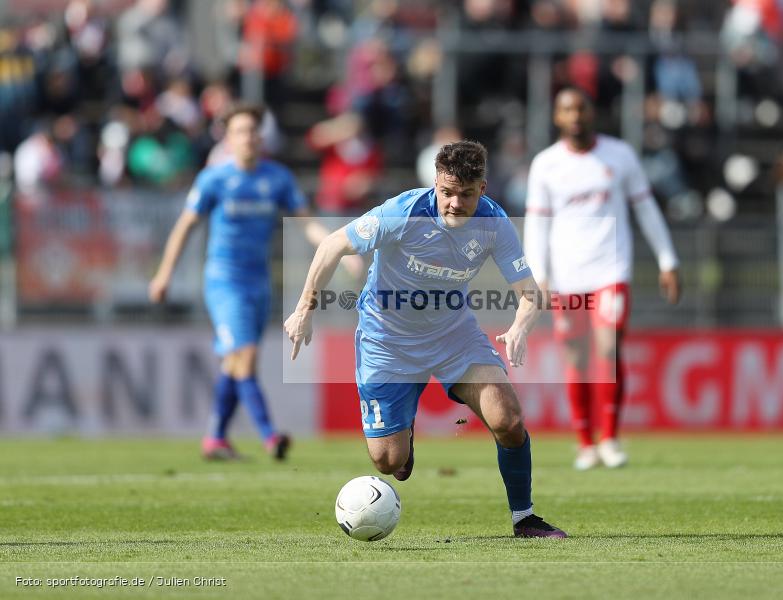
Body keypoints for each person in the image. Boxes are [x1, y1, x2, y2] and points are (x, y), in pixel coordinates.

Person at [283, 141, 567, 538]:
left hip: (454, 336)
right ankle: (405, 432)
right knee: (387, 462)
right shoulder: (403, 213)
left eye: (465, 194)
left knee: (509, 420)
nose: (454, 203)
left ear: (482, 189)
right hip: (387, 341)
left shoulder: (494, 222)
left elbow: (529, 292)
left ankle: (525, 518)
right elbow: (332, 245)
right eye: (446, 192)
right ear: (435, 183)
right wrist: (304, 309)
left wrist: (520, 327)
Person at [149, 102, 351, 461]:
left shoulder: (277, 178)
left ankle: (215, 439)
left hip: (259, 285)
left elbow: (306, 223)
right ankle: (271, 437)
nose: (249, 137)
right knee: (245, 357)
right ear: (228, 139)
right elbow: (185, 225)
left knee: (234, 363)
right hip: (224, 282)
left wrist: (341, 248)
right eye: (241, 131)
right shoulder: (214, 179)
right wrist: (164, 274)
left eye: (254, 131)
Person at [524, 87, 681, 471]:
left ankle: (609, 437)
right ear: (557, 117)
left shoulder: (619, 155)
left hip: (611, 269)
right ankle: (584, 443)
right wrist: (539, 275)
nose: (575, 115)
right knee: (576, 355)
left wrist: (668, 259)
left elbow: (645, 208)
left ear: (591, 112)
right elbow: (536, 225)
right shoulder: (546, 164)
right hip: (566, 275)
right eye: (566, 109)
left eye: (580, 107)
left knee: (609, 348)